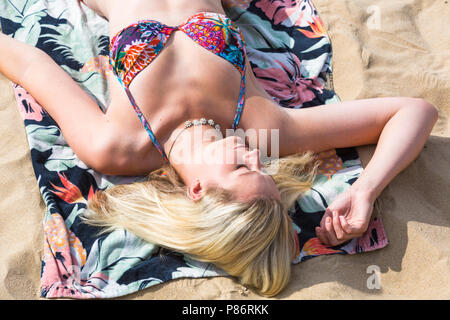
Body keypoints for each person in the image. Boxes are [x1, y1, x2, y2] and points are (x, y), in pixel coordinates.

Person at [0, 0, 438, 296]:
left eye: (245, 169)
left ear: (198, 192)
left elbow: (27, 62)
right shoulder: (262, 127)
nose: (256, 155)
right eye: (260, 167)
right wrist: (365, 190)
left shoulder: (117, 144)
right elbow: (414, 110)